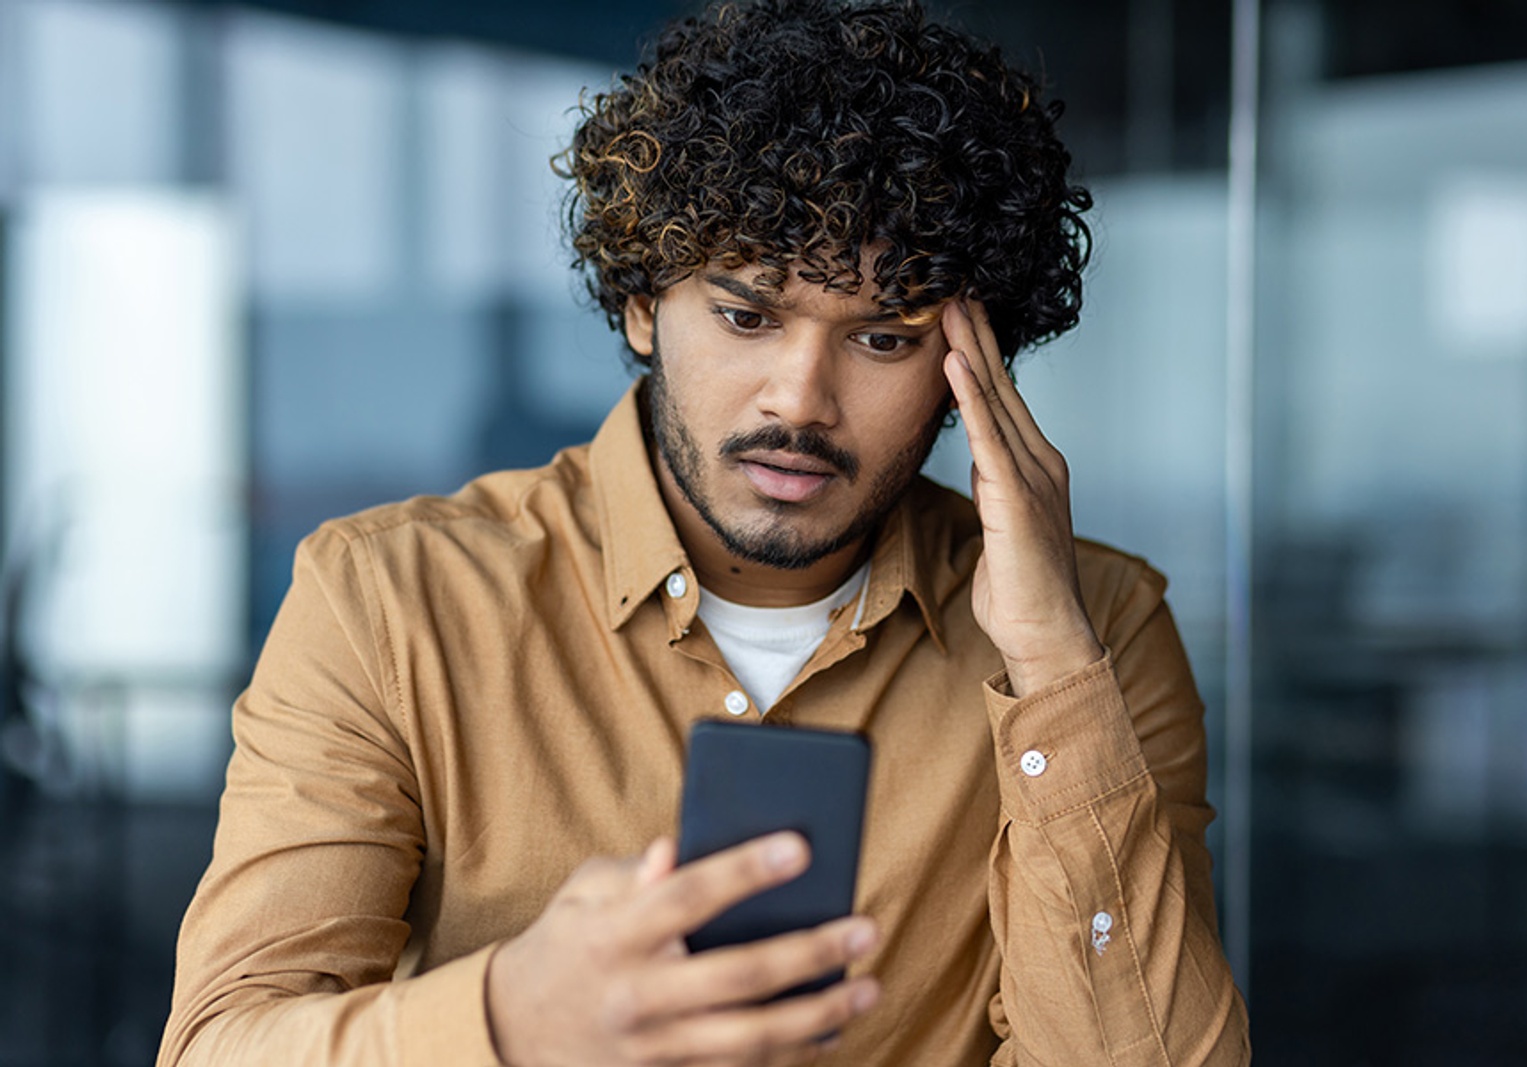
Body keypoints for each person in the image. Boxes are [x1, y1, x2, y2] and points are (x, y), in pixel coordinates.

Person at [158, 0, 1250, 1063]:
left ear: (976, 361)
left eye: (882, 337)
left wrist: (1053, 666)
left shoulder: (1098, 629)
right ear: (643, 304)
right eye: (746, 314)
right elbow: (221, 1042)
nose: (801, 400)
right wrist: (508, 1021)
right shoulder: (391, 602)